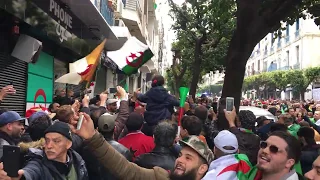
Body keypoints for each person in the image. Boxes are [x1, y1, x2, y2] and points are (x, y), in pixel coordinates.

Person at [68, 113, 213, 180]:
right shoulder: (160, 176)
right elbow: (124, 168)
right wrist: (93, 137)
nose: (180, 160)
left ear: (202, 168)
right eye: (181, 155)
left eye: (188, 158)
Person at [0, 121, 88, 180]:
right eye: (47, 140)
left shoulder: (78, 161)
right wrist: (21, 176)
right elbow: (32, 170)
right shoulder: (38, 161)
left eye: (56, 141)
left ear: (68, 144)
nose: (49, 146)